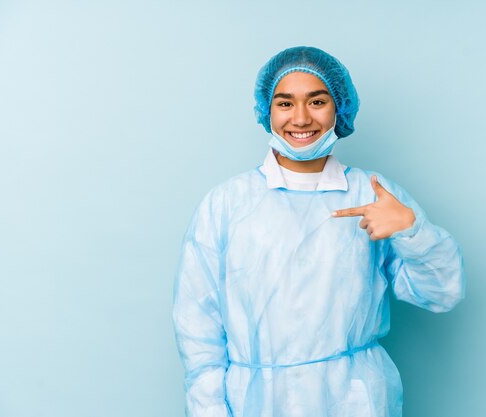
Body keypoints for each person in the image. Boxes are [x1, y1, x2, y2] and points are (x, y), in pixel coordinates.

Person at [172, 46, 465, 417]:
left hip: (354, 401)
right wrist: (209, 410)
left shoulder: (373, 194)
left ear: (338, 109)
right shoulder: (227, 204)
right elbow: (197, 325)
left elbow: (443, 293)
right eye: (284, 103)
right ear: (267, 110)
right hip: (254, 402)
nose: (300, 118)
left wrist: (412, 232)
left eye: (317, 101)